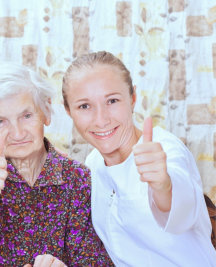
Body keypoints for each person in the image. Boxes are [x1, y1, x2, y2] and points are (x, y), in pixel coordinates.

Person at [0, 63, 113, 266]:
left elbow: (94, 259)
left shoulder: (77, 178)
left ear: (46, 113)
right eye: (0, 121)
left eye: (26, 116)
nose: (17, 133)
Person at [62, 51, 216, 266]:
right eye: (84, 106)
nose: (101, 119)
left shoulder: (164, 149)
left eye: (112, 100)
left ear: (133, 98)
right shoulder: (93, 163)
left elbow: (180, 208)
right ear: (68, 111)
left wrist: (163, 185)